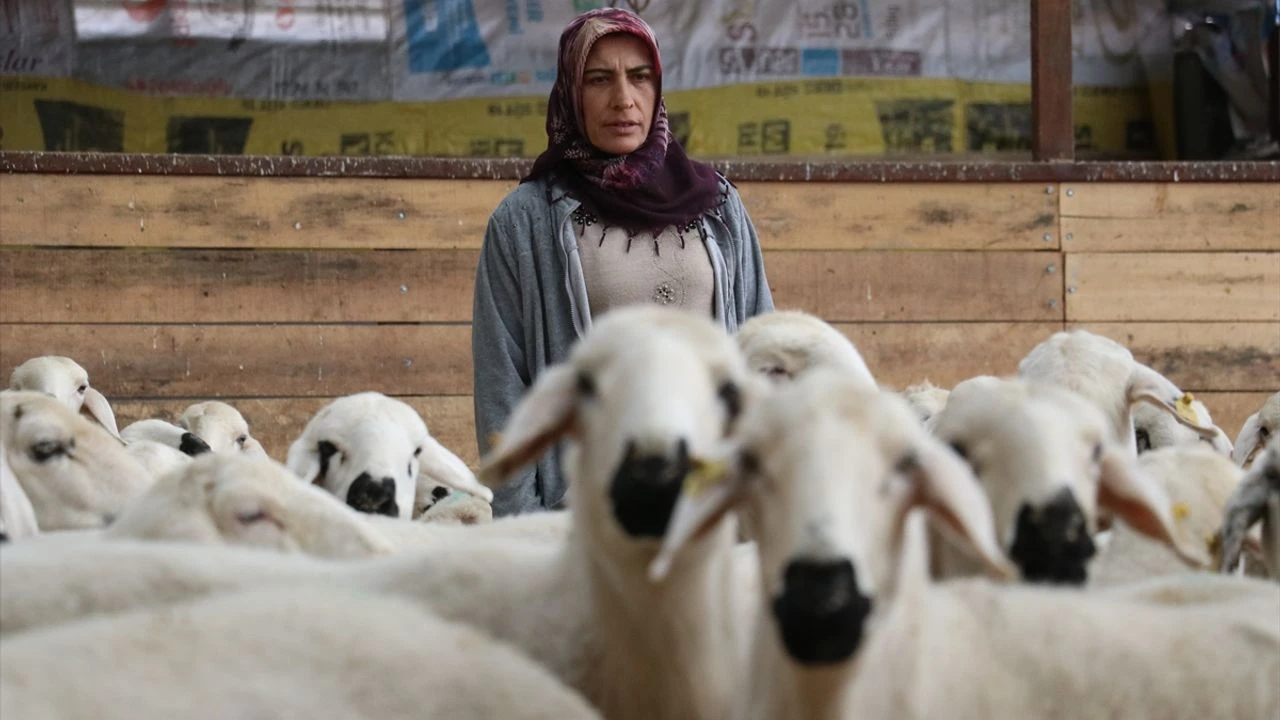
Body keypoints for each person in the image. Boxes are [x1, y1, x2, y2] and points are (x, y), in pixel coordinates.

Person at [471, 7, 774, 516]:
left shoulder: (718, 204)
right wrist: (521, 524)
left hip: (711, 499)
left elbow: (761, 349)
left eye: (639, 77)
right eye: (598, 79)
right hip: (588, 506)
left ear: (658, 88)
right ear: (571, 91)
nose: (623, 100)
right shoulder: (525, 221)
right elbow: (504, 385)